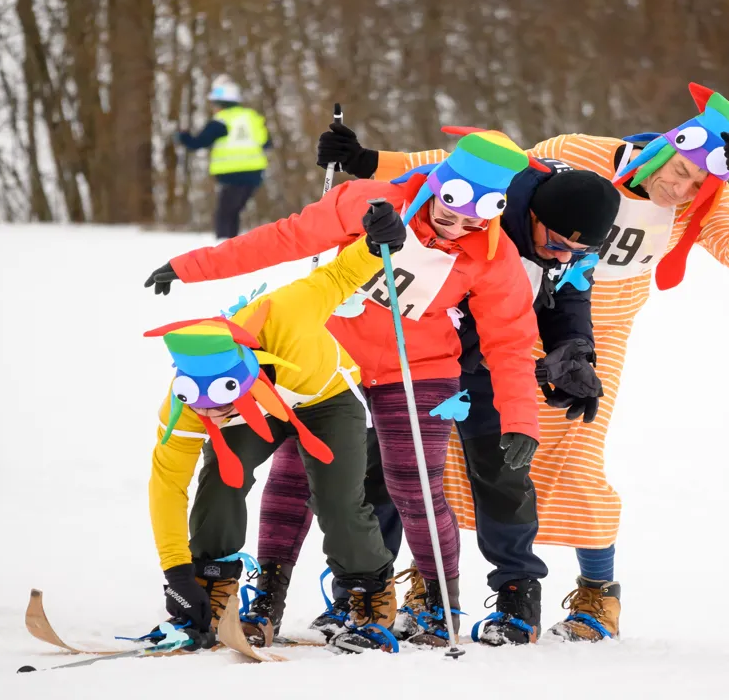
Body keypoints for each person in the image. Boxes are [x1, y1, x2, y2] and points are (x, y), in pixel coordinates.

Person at [333, 82, 729, 642]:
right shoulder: (581, 154)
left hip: (592, 336)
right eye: (681, 173)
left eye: (696, 184)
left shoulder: (709, 201)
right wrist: (370, 161)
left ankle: (598, 593)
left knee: (572, 462)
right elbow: (483, 164)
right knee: (447, 457)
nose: (682, 191)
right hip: (496, 319)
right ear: (666, 147)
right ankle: (428, 581)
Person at [143, 126, 543, 648]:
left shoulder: (493, 255)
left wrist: (519, 420)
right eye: (453, 201)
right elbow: (284, 238)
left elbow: (510, 341)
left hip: (418, 365)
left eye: (480, 212)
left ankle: (435, 604)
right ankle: (267, 594)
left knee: (414, 485)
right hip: (333, 359)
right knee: (295, 473)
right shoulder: (369, 202)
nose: (459, 221)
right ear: (439, 182)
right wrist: (191, 267)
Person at [257, 127, 623, 645]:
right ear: (530, 215)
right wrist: (366, 160)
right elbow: (432, 164)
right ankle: (364, 593)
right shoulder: (484, 202)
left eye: (578, 251)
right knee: (380, 471)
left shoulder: (572, 237)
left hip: (489, 363)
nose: (563, 256)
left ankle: (518, 595)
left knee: (502, 476)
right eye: (556, 244)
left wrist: (574, 352)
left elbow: (568, 295)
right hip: (418, 355)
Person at [142, 210, 407, 654]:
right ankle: (211, 587)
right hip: (258, 412)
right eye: (208, 409)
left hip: (323, 397)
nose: (215, 414)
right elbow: (167, 483)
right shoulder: (184, 403)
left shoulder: (289, 311)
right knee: (222, 476)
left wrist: (379, 242)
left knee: (337, 497)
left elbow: (342, 273)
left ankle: (368, 589)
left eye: (223, 404)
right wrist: (178, 572)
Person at [175, 75, 271, 239]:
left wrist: (182, 137)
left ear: (220, 103)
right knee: (233, 212)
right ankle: (231, 245)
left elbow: (199, 143)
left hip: (232, 174)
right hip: (254, 173)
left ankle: (222, 249)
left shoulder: (221, 121)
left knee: (224, 214)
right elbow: (267, 143)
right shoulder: (252, 117)